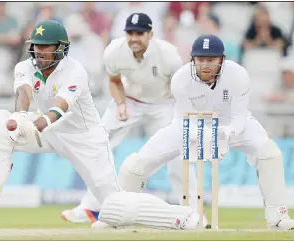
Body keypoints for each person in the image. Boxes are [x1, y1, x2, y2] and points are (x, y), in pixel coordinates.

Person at [0, 19, 202, 231]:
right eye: (36, 45)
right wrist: (19, 116)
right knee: (0, 126)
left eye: (45, 45)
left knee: (114, 209)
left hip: (85, 140)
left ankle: (181, 216)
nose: (39, 51)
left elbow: (59, 108)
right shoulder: (25, 67)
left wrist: (36, 123)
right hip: (49, 132)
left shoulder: (75, 71)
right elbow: (23, 91)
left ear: (61, 48)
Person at [101, 34, 294, 231]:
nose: (205, 65)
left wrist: (227, 133)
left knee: (269, 152)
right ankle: (116, 217)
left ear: (222, 59)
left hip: (232, 124)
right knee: (136, 166)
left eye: (211, 60)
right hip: (187, 125)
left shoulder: (238, 75)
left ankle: (278, 217)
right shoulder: (180, 79)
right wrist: (208, 138)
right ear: (192, 59)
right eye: (201, 60)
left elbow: (240, 116)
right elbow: (186, 120)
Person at [60, 12, 206, 226]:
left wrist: (181, 115)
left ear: (151, 34)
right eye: (130, 33)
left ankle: (194, 212)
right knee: (98, 143)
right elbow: (114, 80)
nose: (134, 38)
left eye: (140, 33)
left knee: (178, 153)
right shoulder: (114, 51)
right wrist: (120, 104)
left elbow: (182, 86)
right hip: (130, 101)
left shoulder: (168, 55)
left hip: (163, 104)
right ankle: (91, 206)